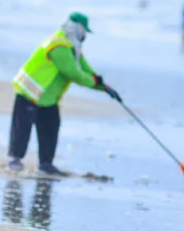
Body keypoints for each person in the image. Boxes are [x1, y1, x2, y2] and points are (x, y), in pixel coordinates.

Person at [7, 12, 121, 177]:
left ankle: (46, 164)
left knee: (51, 127)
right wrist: (95, 82)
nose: (85, 36)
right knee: (22, 129)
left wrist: (104, 86)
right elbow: (72, 72)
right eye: (84, 32)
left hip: (48, 98)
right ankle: (14, 160)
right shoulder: (59, 45)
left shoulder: (72, 47)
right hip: (31, 93)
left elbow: (86, 70)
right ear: (76, 29)